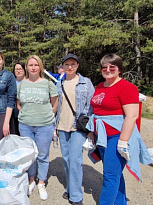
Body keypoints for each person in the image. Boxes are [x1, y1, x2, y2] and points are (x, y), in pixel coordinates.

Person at [87, 53, 151, 205]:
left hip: (117, 137)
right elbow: (97, 111)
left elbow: (132, 116)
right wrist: (91, 132)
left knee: (110, 175)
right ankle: (120, 202)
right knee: (114, 174)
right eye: (104, 67)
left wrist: (123, 141)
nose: (107, 70)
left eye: (112, 67)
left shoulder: (127, 88)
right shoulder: (101, 86)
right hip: (102, 137)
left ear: (120, 69)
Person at [16, 55, 58, 201]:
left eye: (36, 65)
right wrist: (26, 114)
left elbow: (55, 103)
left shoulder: (48, 84)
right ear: (26, 67)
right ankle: (31, 180)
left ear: (40, 67)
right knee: (30, 154)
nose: (33, 67)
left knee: (42, 155)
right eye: (30, 65)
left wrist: (48, 116)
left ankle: (41, 182)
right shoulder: (21, 84)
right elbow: (18, 103)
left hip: (44, 125)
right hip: (25, 125)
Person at [55, 53, 94, 205]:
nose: (70, 67)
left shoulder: (85, 83)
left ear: (77, 66)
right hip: (62, 126)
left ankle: (76, 196)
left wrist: (90, 127)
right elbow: (57, 106)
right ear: (63, 67)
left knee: (75, 160)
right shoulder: (60, 83)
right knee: (66, 159)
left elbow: (91, 107)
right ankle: (71, 187)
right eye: (67, 64)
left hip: (78, 127)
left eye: (73, 64)